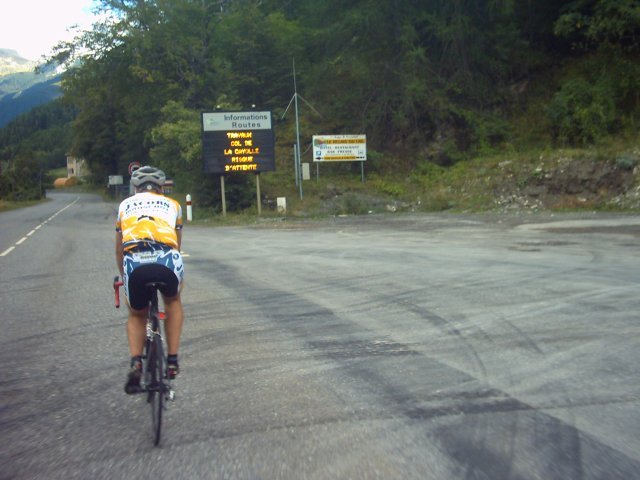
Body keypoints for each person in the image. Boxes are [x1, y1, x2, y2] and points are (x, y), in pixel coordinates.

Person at [115, 166, 185, 394]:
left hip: (135, 261)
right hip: (166, 260)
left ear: (135, 188)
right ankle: (172, 360)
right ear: (161, 188)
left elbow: (119, 249)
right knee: (173, 300)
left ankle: (136, 362)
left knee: (137, 314)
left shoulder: (125, 205)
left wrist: (125, 276)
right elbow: (177, 242)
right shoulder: (173, 205)